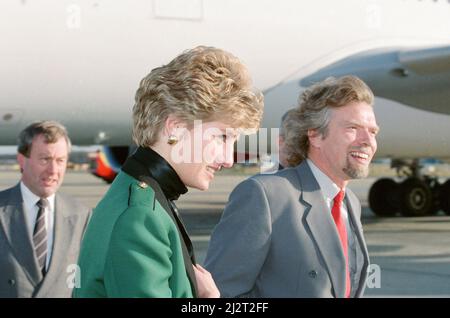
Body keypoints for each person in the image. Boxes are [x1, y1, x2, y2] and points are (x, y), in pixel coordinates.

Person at [74, 46, 263, 298]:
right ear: (175, 128)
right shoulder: (140, 217)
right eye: (222, 137)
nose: (228, 159)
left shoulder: (143, 198)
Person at [205, 75, 379, 298]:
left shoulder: (350, 203)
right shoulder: (265, 196)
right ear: (315, 135)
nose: (367, 140)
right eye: (353, 127)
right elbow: (223, 294)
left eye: (373, 131)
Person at [0, 121, 91, 297]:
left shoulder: (81, 215)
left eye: (60, 161)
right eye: (45, 159)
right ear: (22, 160)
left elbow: (84, 282)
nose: (53, 170)